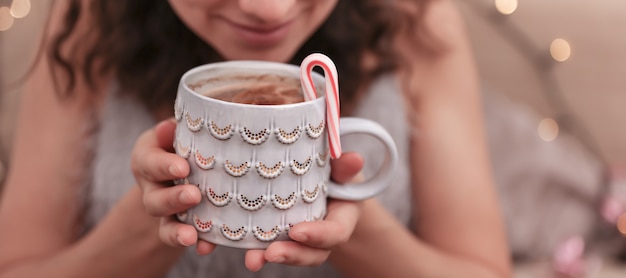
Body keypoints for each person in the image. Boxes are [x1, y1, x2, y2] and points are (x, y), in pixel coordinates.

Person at [0, 0, 511, 277]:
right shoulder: (86, 22)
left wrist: (334, 210)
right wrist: (153, 212)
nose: (268, 10)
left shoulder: (418, 20)